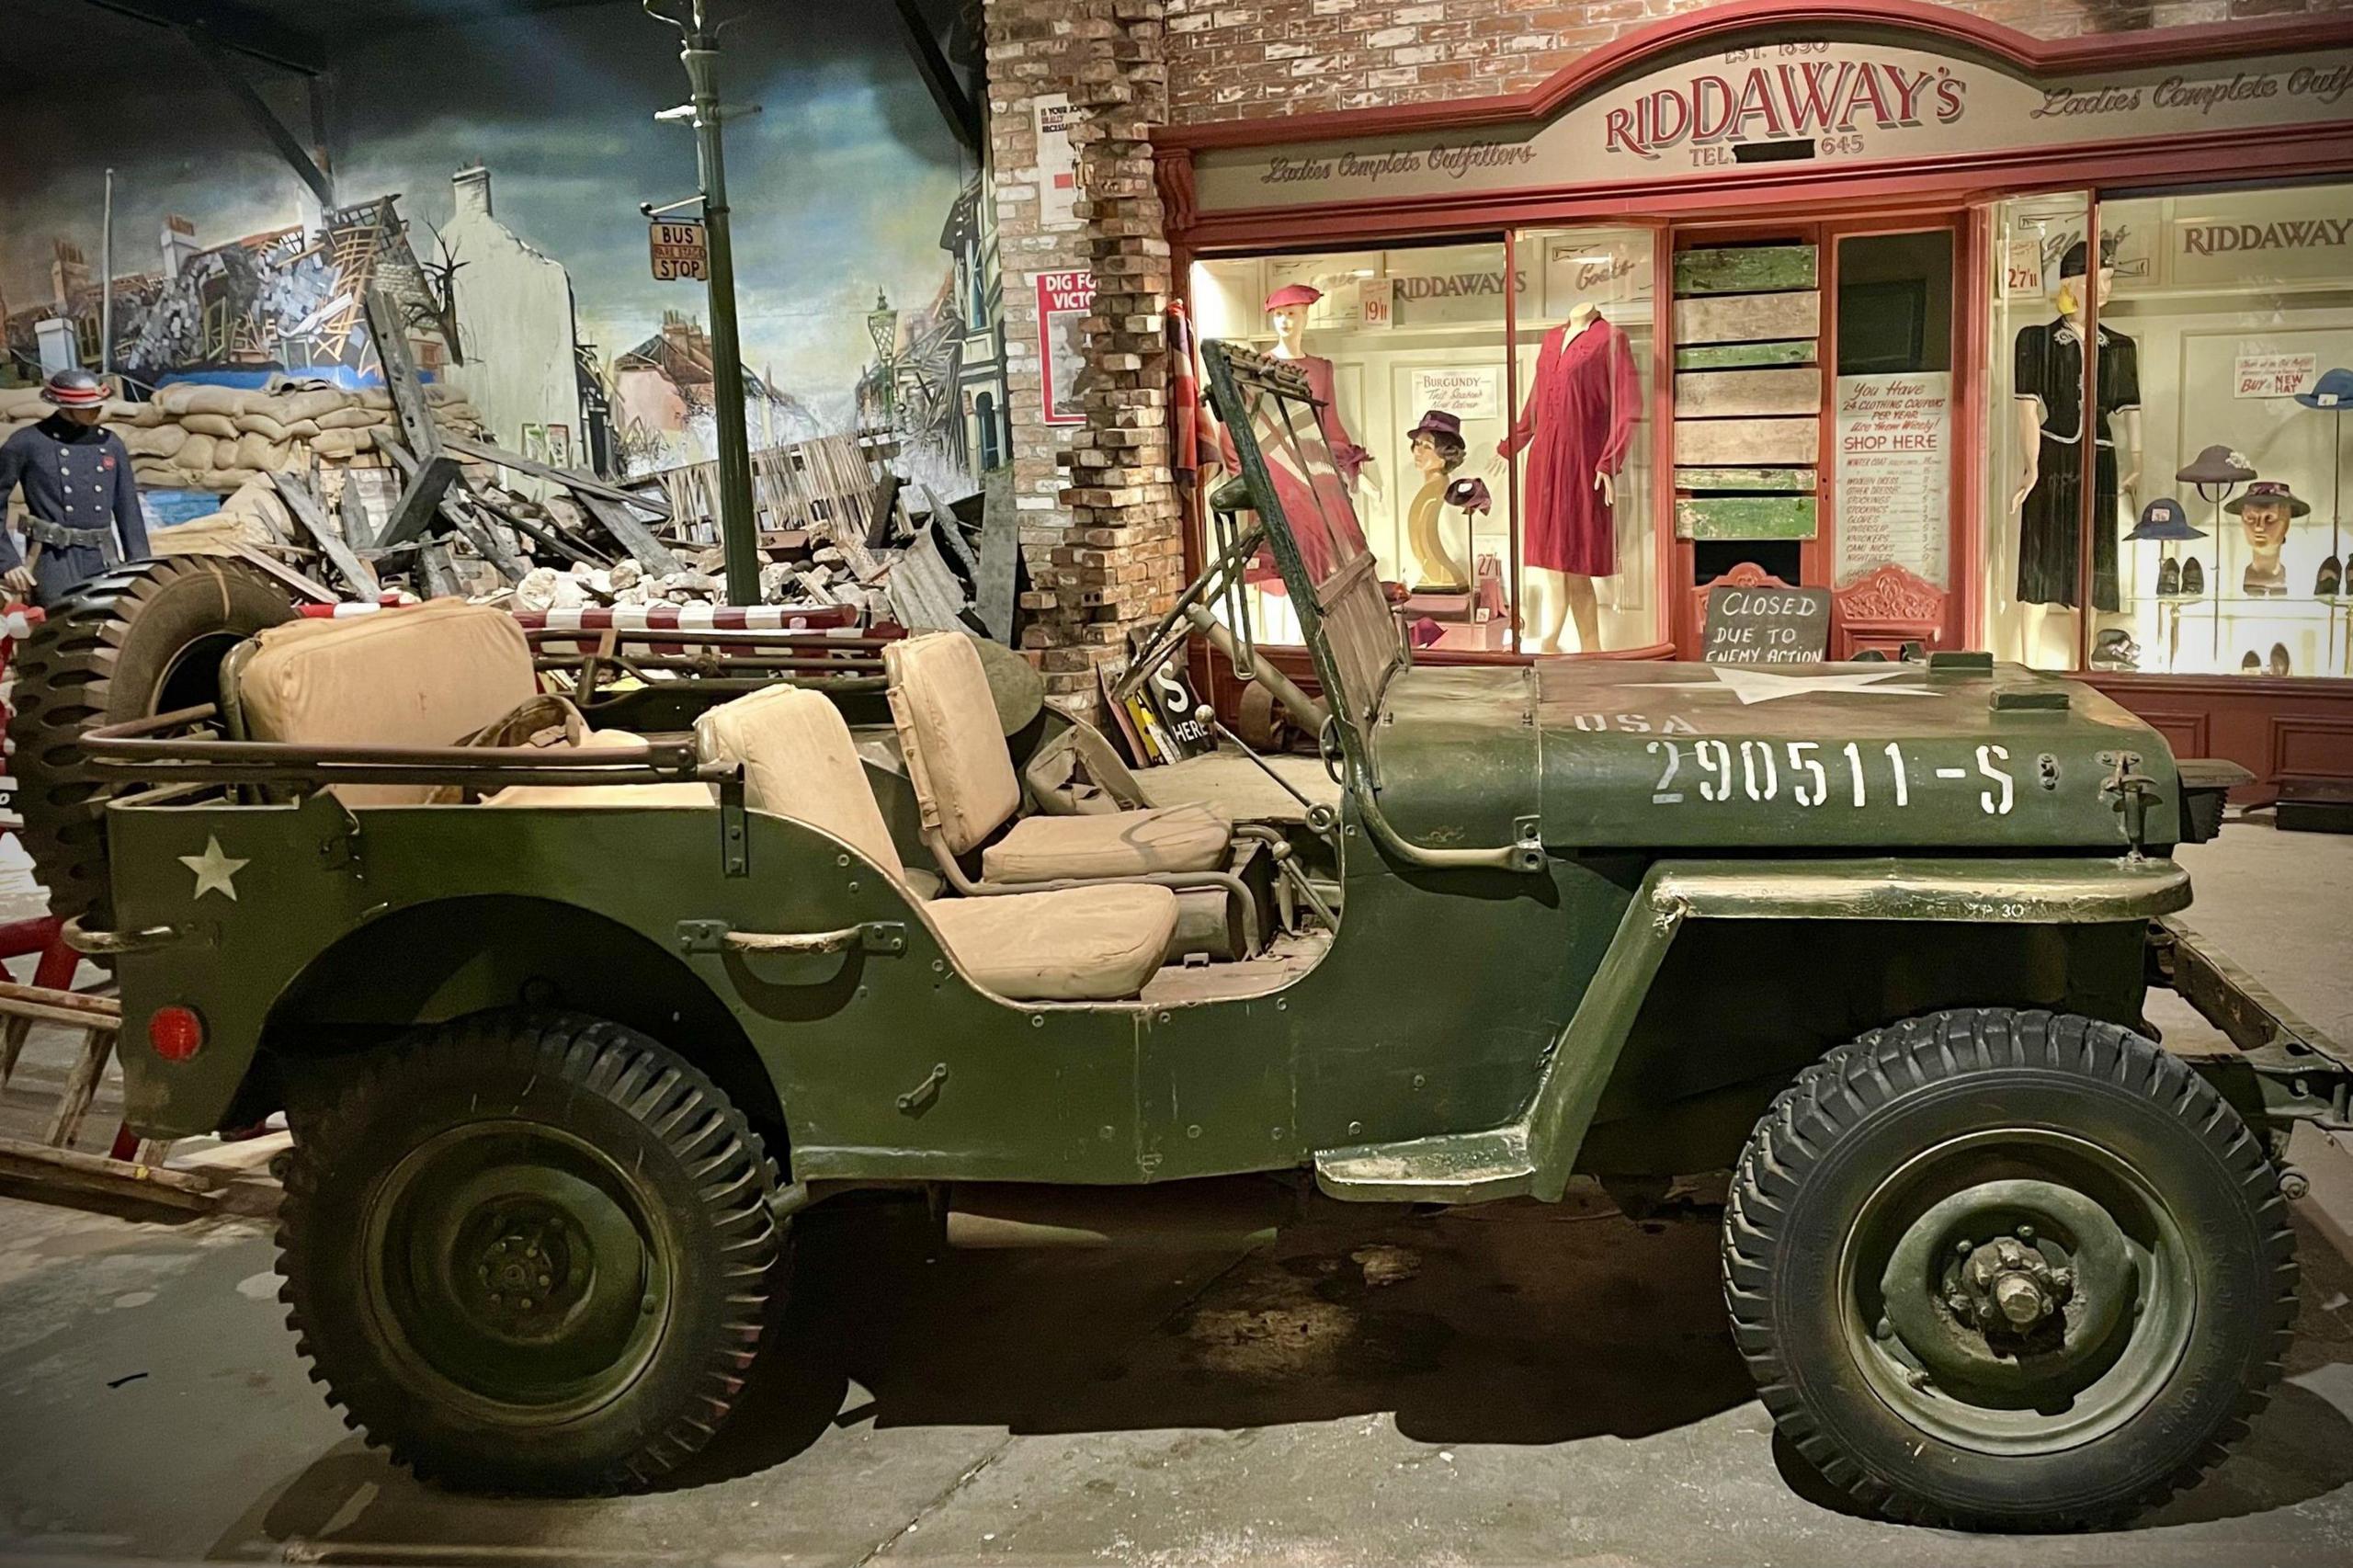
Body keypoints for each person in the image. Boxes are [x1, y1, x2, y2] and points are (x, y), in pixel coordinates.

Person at [0, 369, 150, 608]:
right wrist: (7, 561)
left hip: (103, 557)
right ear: (64, 405)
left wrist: (140, 565)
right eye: (88, 406)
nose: (97, 410)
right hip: (53, 559)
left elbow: (128, 511)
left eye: (99, 404)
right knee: (58, 630)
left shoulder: (110, 443)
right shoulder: (27, 443)